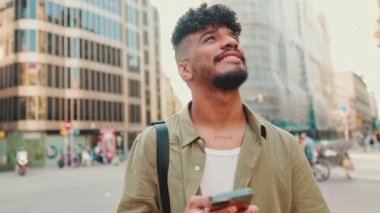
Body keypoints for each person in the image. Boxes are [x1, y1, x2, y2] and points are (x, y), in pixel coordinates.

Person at [117, 3, 329, 213]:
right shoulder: (152, 143)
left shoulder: (286, 146)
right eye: (211, 38)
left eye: (233, 37)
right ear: (185, 69)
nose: (230, 42)